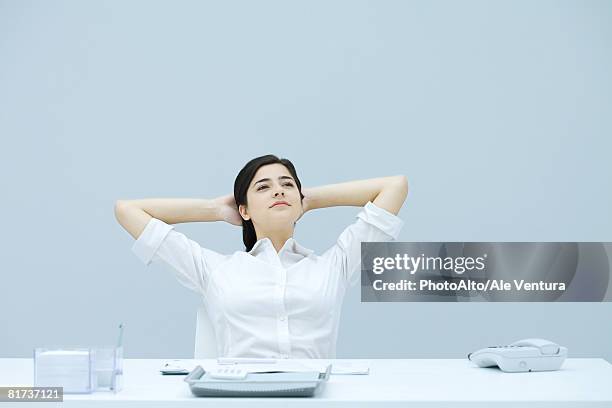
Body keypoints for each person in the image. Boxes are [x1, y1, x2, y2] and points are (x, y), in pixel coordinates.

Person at [114, 154, 409, 358]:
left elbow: (394, 186)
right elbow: (127, 211)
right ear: (244, 209)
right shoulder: (215, 269)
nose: (278, 191)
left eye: (287, 185)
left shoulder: (334, 266)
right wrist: (215, 209)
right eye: (263, 187)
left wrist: (309, 199)